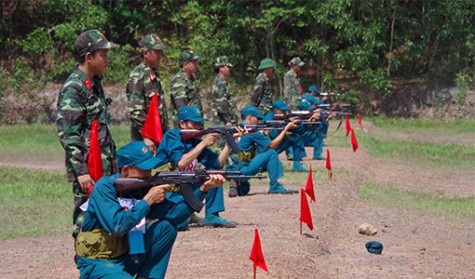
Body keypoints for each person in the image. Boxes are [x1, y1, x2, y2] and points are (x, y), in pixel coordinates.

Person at [76, 141, 226, 279]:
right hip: (98, 263)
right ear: (126, 171)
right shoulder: (105, 187)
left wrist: (202, 189)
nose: (150, 173)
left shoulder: (143, 188)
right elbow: (118, 226)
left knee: (166, 228)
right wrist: (148, 200)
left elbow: (174, 215)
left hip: (127, 256)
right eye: (144, 169)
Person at [56, 29, 119, 239]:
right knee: (86, 218)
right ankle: (84, 263)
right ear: (88, 57)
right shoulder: (74, 88)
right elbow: (69, 135)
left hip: (103, 164)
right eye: (103, 54)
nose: (107, 59)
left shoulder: (94, 83)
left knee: (105, 217)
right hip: (88, 168)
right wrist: (81, 171)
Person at [155, 106, 242, 229]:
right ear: (182, 124)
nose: (198, 127)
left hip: (184, 186)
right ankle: (185, 215)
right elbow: (181, 163)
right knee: (180, 224)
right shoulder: (172, 136)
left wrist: (229, 141)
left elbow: (217, 164)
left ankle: (212, 214)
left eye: (200, 124)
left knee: (214, 172)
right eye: (194, 123)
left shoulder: (195, 141)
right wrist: (203, 143)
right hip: (166, 190)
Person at [227, 105, 299, 196]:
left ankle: (236, 181)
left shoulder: (237, 127)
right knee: (271, 153)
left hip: (231, 169)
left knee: (244, 189)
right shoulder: (250, 130)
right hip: (242, 169)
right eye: (257, 118)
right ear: (250, 117)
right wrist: (286, 129)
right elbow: (272, 146)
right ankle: (274, 186)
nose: (258, 121)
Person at [126, 34, 169, 155]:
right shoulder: (138, 75)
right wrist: (146, 136)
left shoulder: (152, 74)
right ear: (146, 53)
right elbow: (136, 110)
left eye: (161, 52)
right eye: (157, 52)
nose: (160, 55)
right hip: (146, 139)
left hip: (158, 134)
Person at [263, 100, 309, 172]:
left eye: (285, 110)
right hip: (268, 146)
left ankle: (297, 164)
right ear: (276, 110)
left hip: (277, 144)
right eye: (282, 110)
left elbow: (301, 132)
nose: (284, 112)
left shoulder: (284, 118)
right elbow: (273, 134)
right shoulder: (269, 117)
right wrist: (286, 127)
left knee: (296, 137)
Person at [169, 49, 202, 124]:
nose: (196, 65)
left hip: (194, 122)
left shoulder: (191, 79)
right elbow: (182, 108)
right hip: (186, 125)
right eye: (193, 62)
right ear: (185, 65)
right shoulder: (179, 81)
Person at [210, 56, 237, 125]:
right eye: (227, 67)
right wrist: (228, 120)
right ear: (221, 69)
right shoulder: (220, 83)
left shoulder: (222, 82)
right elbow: (221, 104)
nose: (229, 69)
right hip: (223, 123)